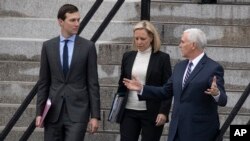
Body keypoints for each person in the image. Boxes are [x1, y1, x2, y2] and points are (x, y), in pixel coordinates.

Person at [123, 28, 227, 141]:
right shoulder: (180, 67)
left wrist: (216, 93)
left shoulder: (213, 68)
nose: (179, 45)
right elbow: (165, 91)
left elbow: (222, 100)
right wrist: (142, 88)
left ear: (193, 45)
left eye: (182, 42)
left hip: (200, 132)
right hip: (177, 131)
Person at [35, 4, 100, 141]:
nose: (77, 24)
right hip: (53, 112)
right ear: (60, 22)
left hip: (78, 112)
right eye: (72, 20)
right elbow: (44, 82)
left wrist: (95, 116)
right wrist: (39, 112)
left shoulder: (88, 47)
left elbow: (93, 83)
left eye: (78, 20)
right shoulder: (48, 46)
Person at [116, 20, 172, 141]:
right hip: (128, 111)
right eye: (136, 38)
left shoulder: (162, 58)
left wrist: (163, 112)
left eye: (143, 38)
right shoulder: (128, 56)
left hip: (152, 112)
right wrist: (116, 107)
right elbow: (122, 84)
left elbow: (168, 88)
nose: (139, 42)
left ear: (151, 37)